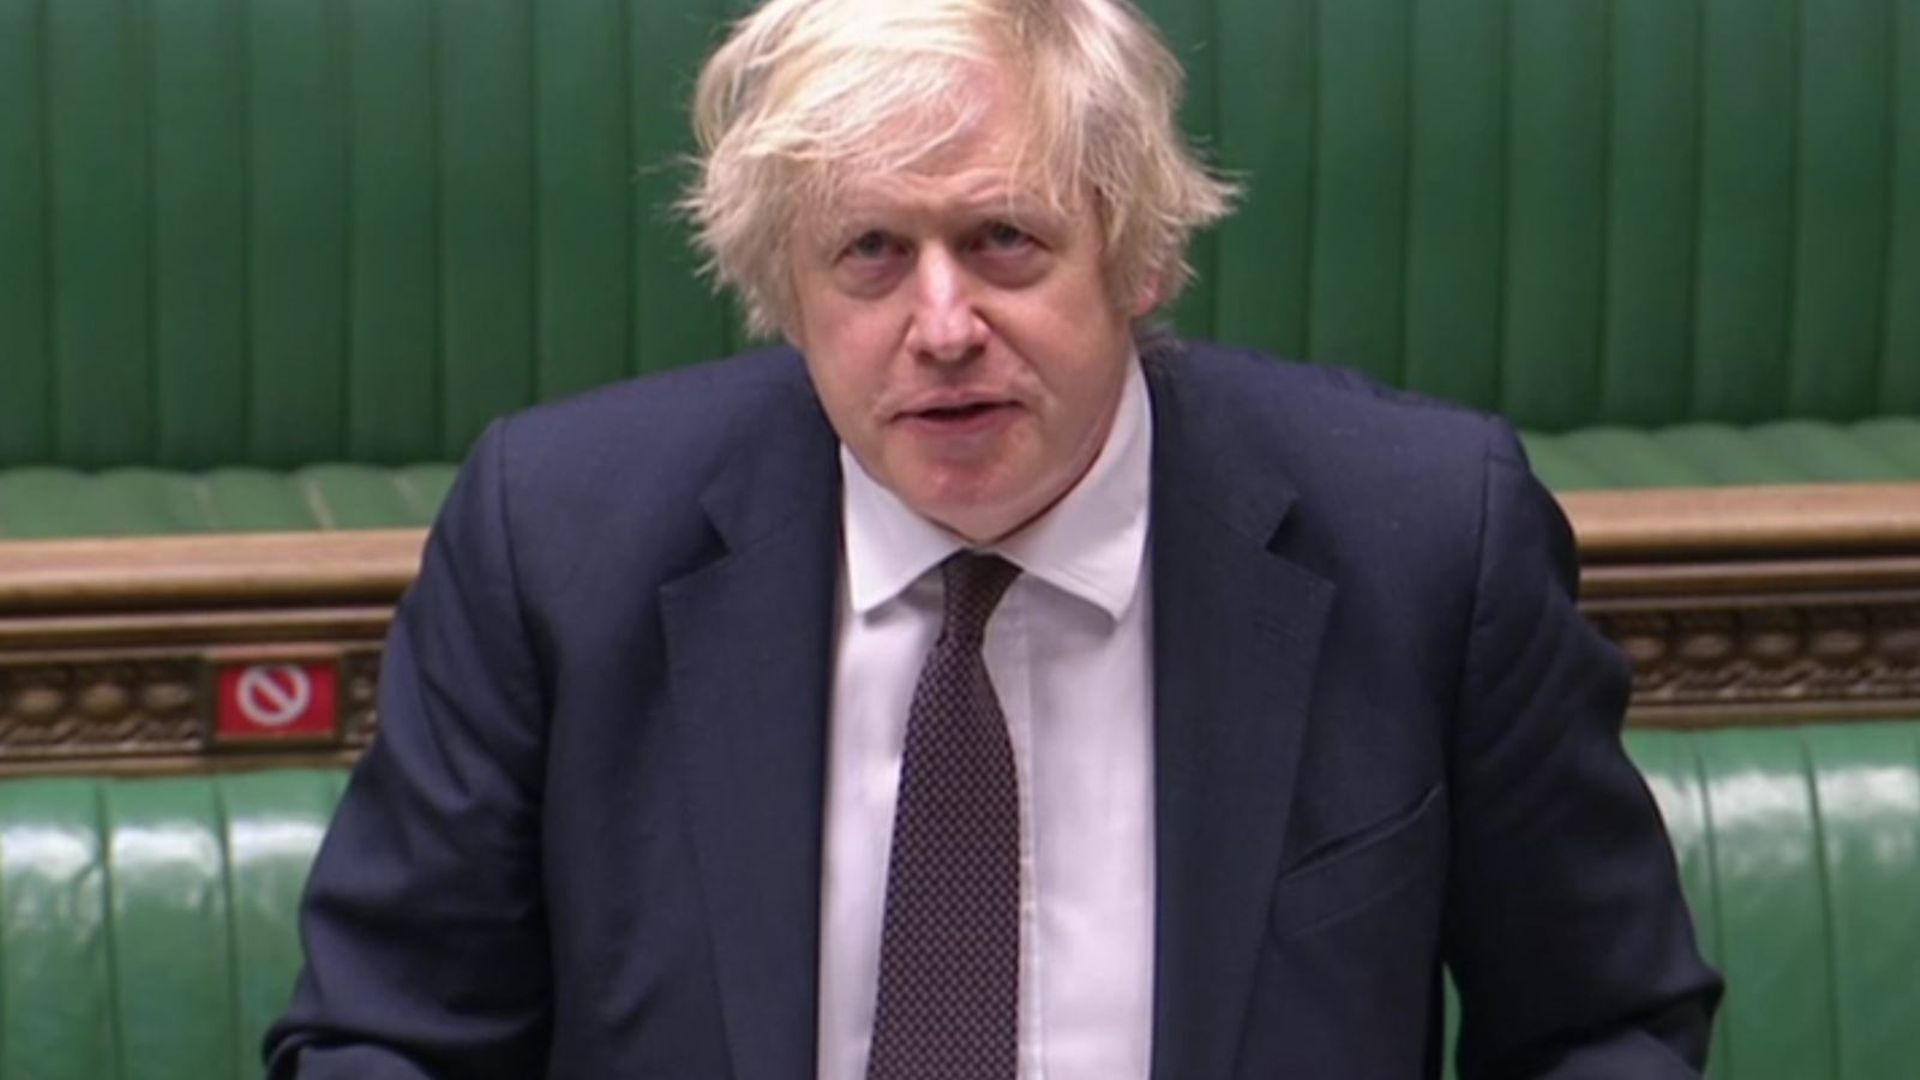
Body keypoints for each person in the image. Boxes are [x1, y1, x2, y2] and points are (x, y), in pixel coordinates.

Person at [266, 0, 1721, 1076]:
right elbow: (381, 1040)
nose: (943, 327)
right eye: (872, 254)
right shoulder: (559, 537)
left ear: (1140, 251)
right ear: (786, 286)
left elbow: (1606, 1024)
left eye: (1006, 242)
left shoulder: (1423, 534)